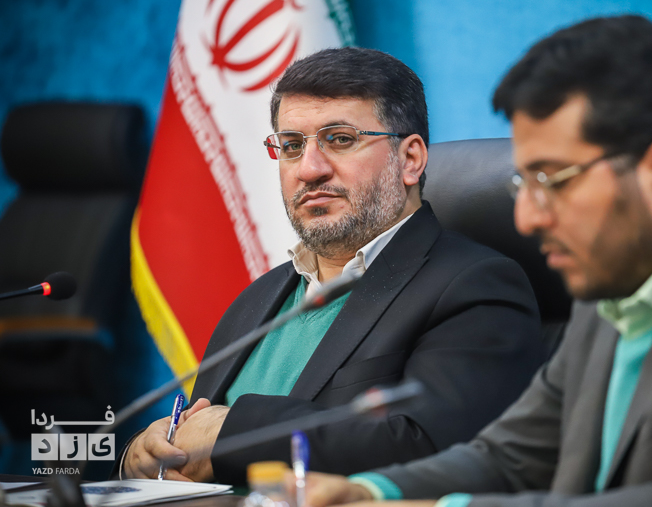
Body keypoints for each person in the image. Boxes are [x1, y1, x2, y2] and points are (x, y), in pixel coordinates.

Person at [297, 16, 652, 507]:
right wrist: (368, 492)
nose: (527, 217)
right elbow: (510, 455)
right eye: (524, 183)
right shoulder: (617, 280)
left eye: (552, 180)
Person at [117, 47, 545, 485]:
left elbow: (432, 449)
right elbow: (198, 431)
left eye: (340, 139)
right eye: (291, 146)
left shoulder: (474, 286)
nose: (309, 169)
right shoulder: (257, 300)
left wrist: (233, 435)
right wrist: (147, 451)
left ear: (410, 159)